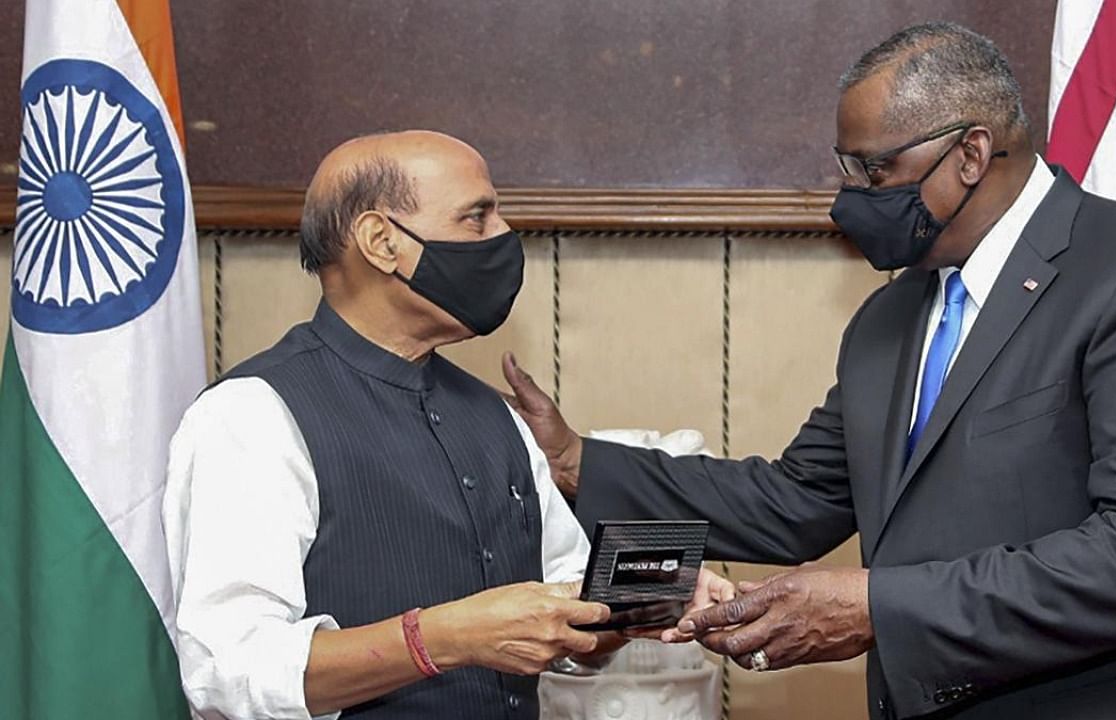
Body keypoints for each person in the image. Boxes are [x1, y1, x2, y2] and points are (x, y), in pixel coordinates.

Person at [503, 23, 1116, 720]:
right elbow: (797, 499)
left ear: (971, 153)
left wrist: (875, 607)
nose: (851, 199)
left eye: (874, 172)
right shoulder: (894, 314)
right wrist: (576, 460)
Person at [164, 130, 730, 720]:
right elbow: (229, 671)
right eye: (476, 218)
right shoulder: (251, 415)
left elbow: (565, 596)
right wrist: (441, 639)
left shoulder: (494, 415)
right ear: (382, 242)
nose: (505, 237)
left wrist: (656, 588)